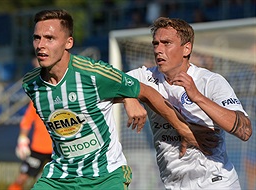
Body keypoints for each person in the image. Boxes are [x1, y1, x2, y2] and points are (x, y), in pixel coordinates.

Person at [22, 9, 214, 190]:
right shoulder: (31, 84)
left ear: (69, 42)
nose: (41, 45)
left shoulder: (94, 74)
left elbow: (147, 92)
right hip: (59, 177)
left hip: (105, 177)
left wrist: (183, 129)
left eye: (50, 38)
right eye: (37, 38)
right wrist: (126, 98)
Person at [126, 17, 252, 189]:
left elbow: (245, 131)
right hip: (174, 184)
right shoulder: (146, 77)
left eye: (166, 43)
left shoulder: (210, 81)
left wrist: (198, 97)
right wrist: (129, 98)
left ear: (187, 48)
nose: (158, 50)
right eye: (155, 44)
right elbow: (110, 81)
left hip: (216, 182)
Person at [8, 101, 53, 190]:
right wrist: (22, 140)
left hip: (59, 148)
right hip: (39, 147)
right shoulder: (37, 99)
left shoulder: (64, 97)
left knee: (66, 178)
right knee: (22, 178)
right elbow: (26, 121)